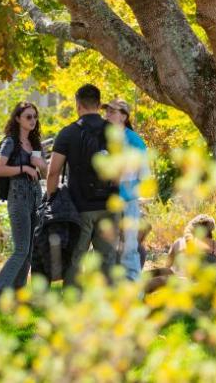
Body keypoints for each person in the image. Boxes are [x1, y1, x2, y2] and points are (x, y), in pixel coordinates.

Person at [47, 84, 119, 285]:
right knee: (107, 260)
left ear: (78, 105)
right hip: (109, 206)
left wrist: (51, 199)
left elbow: (53, 172)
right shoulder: (114, 132)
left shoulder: (68, 133)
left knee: (75, 260)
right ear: (98, 104)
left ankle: (72, 304)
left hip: (79, 207)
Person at [0, 102, 47, 307]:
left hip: (35, 196)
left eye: (35, 117)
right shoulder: (10, 143)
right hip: (18, 196)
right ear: (18, 119)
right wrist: (24, 168)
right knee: (21, 249)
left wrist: (41, 166)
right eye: (28, 117)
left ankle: (18, 297)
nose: (33, 120)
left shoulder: (36, 144)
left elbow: (46, 173)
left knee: (30, 250)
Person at [102, 98, 148, 281]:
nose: (107, 115)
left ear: (123, 116)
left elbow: (144, 176)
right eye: (107, 111)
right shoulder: (103, 137)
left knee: (129, 249)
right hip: (105, 202)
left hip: (127, 202)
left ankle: (134, 292)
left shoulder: (134, 141)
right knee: (107, 250)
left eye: (112, 112)